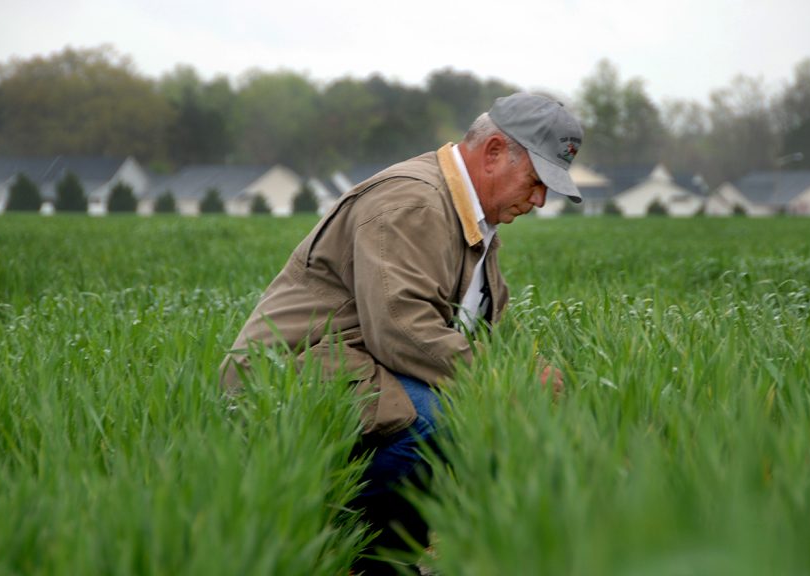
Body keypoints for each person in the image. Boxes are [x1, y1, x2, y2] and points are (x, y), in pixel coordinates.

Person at [220, 92, 583, 574]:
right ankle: (329, 541)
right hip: (283, 379)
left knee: (486, 416)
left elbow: (467, 327)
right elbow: (401, 329)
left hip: (353, 371)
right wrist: (506, 380)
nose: (539, 199)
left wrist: (526, 370)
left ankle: (386, 556)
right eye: (536, 180)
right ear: (494, 151)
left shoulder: (472, 218)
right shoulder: (413, 200)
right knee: (441, 416)